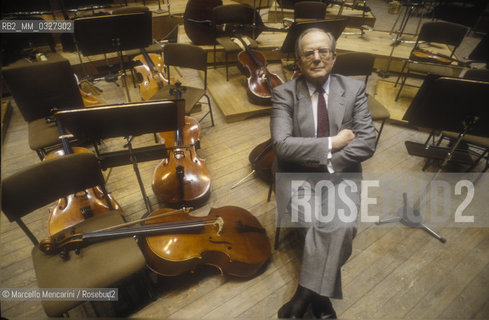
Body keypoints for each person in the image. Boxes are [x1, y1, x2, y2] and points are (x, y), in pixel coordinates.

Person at [270, 28, 376, 318]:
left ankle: (305, 296)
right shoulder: (284, 94)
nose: (317, 58)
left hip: (340, 173)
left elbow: (368, 141)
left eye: (323, 51)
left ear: (333, 56)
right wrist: (334, 142)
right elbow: (282, 146)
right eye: (308, 53)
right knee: (322, 222)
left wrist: (328, 161)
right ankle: (322, 301)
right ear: (298, 61)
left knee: (339, 224)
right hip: (296, 176)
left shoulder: (352, 89)